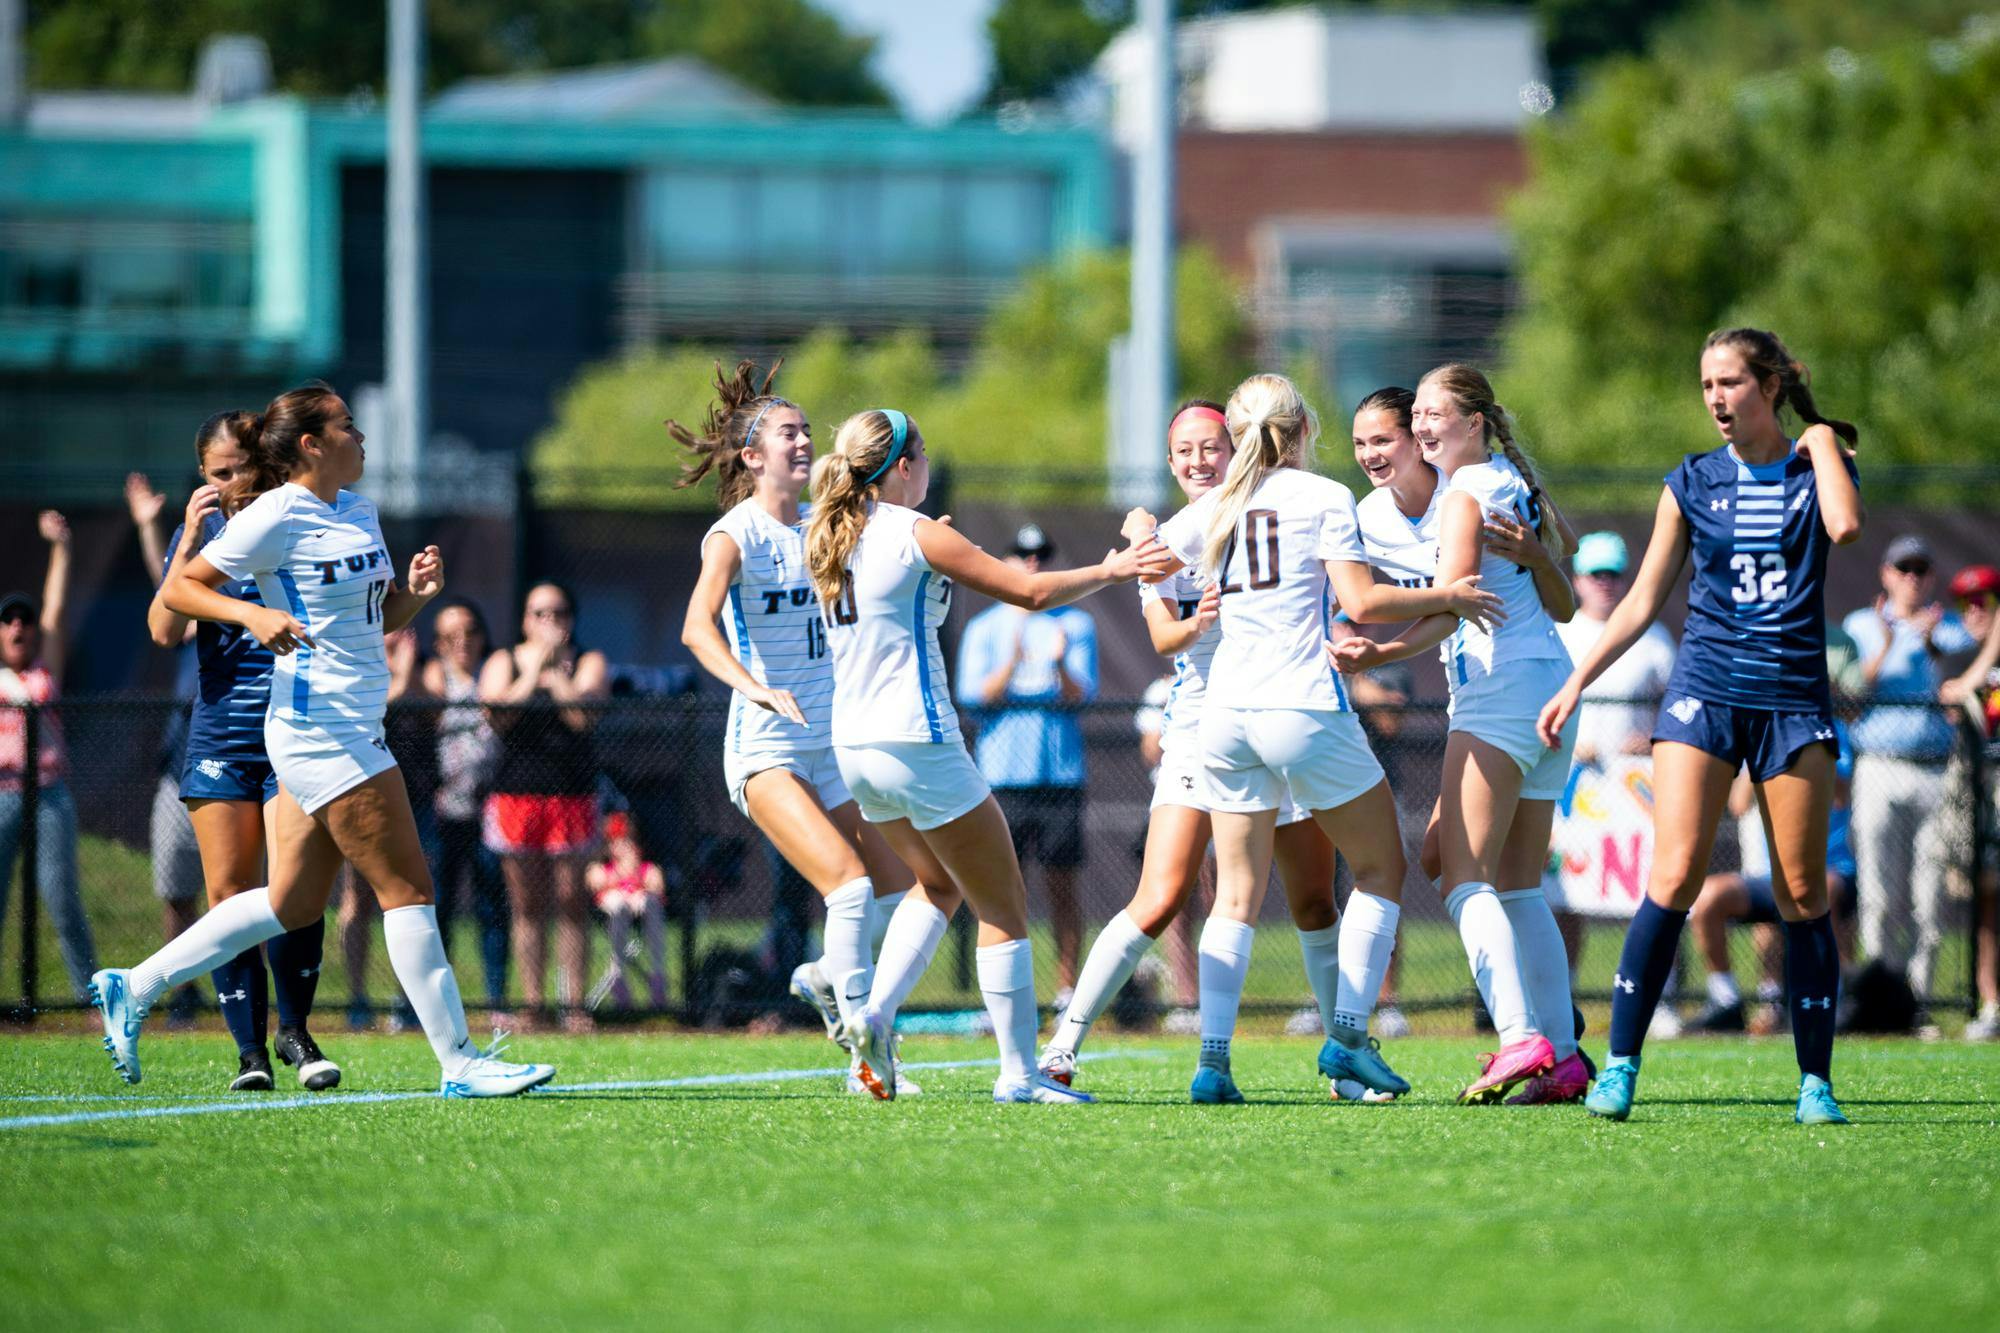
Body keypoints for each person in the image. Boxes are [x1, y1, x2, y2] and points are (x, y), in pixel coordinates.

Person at [91, 380, 552, 1097]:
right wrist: (249, 617)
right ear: (311, 444)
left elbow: (377, 619)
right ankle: (460, 1060)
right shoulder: (276, 513)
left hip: (349, 721)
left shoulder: (358, 511)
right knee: (408, 887)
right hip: (320, 727)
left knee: (290, 903)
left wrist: (417, 594)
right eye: (347, 425)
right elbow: (181, 592)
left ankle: (134, 983)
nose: (361, 437)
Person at [1137, 373, 1503, 1104]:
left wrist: (1138, 534)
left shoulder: (1216, 503)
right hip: (1299, 707)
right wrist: (1449, 595)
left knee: (1234, 895)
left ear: (1238, 437)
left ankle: (1213, 1062)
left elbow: (1149, 561)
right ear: (1302, 427)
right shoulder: (1323, 496)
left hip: (1225, 717)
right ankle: (1346, 1037)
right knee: (1381, 868)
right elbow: (1361, 601)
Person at [1539, 327, 1863, 1124]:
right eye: (1707, 384)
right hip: (1703, 693)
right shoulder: (1690, 480)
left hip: (1791, 699)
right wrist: (1577, 677)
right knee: (1674, 875)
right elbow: (1645, 598)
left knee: (1799, 889)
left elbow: (1847, 526)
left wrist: (1821, 443)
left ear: (1772, 386)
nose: (1717, 398)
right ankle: (1619, 1067)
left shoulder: (1815, 463)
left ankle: (1814, 1081)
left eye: (1731, 383)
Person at [804, 406, 1162, 1104]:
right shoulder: (914, 532)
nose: (929, 464)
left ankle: (873, 1016)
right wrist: (1115, 568)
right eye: (924, 452)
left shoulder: (831, 534)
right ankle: (1018, 1076)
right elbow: (1028, 592)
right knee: (1003, 903)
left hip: (855, 748)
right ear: (903, 465)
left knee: (935, 885)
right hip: (918, 738)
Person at [1035, 398, 1376, 1100]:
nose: (1199, 460)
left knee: (1314, 899)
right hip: (1204, 725)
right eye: (1184, 450)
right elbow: (1161, 631)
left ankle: (1344, 1059)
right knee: (1161, 895)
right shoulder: (1175, 536)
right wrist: (1145, 541)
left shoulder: (1274, 506)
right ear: (1168, 462)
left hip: (1280, 711)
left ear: (1240, 446)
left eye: (1212, 445)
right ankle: (1064, 1043)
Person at [674, 361, 934, 1096]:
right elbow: (697, 628)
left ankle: (828, 973)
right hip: (766, 748)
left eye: (806, 433)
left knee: (903, 892)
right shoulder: (736, 534)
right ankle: (866, 1064)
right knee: (848, 890)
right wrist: (755, 688)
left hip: (836, 741)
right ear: (752, 456)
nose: (802, 442)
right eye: (787, 433)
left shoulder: (829, 526)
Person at [1337, 369, 1587, 1104]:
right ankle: (1565, 1056)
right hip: (1544, 683)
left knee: (1464, 869)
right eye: (1412, 417)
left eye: (1430, 416)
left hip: (1503, 687)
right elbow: (1555, 573)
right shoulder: (1501, 478)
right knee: (1508, 879)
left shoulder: (1468, 491)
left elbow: (1457, 601)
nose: (1418, 429)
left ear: (1475, 422)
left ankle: (1520, 1038)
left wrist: (1378, 652)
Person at [142, 418, 341, 1091]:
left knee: (293, 890)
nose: (232, 484)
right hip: (219, 736)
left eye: (241, 469)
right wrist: (189, 542)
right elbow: (165, 628)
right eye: (218, 473)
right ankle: (249, 1052)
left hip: (293, 731)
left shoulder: (290, 521)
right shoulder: (195, 540)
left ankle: (297, 1031)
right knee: (228, 894)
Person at [955, 524, 1097, 995]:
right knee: (996, 891)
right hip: (1001, 778)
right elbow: (975, 698)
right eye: (1021, 553)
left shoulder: (1075, 625)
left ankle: (1066, 992)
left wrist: (1057, 664)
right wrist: (1013, 659)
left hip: (1058, 776)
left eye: (1041, 554)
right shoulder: (984, 628)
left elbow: (1081, 696)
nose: (1032, 563)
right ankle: (998, 994)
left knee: (1063, 890)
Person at [1841, 534, 1976, 1006]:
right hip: (1879, 767)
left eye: (1920, 569)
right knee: (1879, 892)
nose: (1912, 578)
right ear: (1885, 574)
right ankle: (1880, 999)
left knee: (1929, 895)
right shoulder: (1861, 625)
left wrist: (1933, 644)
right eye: (1903, 569)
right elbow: (1851, 694)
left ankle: (1917, 1001)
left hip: (1936, 772)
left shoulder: (1950, 628)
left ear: (1932, 577)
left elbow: (1973, 669)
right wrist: (1887, 639)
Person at [1551, 531, 1679, 998]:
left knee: (1651, 893)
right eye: (1595, 573)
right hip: (1573, 788)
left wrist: (1652, 738)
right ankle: (1560, 996)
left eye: (1613, 574)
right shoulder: (1560, 634)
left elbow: (1681, 702)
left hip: (1637, 791)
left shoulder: (1654, 637)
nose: (1605, 583)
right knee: (1564, 896)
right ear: (1577, 579)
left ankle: (1656, 996)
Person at [480, 580, 608, 1029]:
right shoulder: (504, 660)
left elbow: (581, 718)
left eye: (557, 613)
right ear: (524, 620)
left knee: (572, 901)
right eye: (539, 613)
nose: (548, 622)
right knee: (527, 904)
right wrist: (533, 674)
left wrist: (557, 676)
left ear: (570, 620)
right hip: (516, 797)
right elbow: (496, 714)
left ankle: (574, 1005)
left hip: (572, 796)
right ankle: (533, 1004)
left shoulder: (589, 662)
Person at [0, 510, 97, 1000]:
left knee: (62, 898)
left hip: (49, 794)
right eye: (8, 620)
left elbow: (55, 609)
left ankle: (88, 999)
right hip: (1, 794)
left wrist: (61, 546)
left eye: (25, 620)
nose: (18, 626)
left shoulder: (44, 668)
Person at [128, 472, 209, 1025]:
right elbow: (169, 601)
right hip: (181, 764)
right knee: (177, 889)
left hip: (245, 757)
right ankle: (178, 989)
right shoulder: (192, 582)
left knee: (242, 895)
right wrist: (150, 526)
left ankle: (242, 992)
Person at [422, 597, 509, 1009]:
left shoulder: (496, 674)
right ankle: (429, 1003)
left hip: (489, 810)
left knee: (493, 908)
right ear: (437, 643)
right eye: (450, 636)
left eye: (470, 632)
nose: (463, 642)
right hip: (442, 811)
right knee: (436, 910)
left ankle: (496, 1001)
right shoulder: (434, 677)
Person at [1937, 565, 2000, 1038]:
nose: (1976, 610)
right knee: (1986, 898)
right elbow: (1949, 692)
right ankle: (1990, 1003)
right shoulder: (1956, 650)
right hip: (1978, 788)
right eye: (1967, 602)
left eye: (1986, 600)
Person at [585, 811, 668, 1011]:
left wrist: (635, 872)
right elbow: (595, 884)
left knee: (650, 902)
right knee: (619, 902)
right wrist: (623, 871)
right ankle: (618, 976)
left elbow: (658, 886)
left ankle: (658, 976)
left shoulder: (647, 867)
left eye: (628, 840)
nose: (624, 845)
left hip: (641, 910)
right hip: (614, 912)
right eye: (618, 841)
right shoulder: (600, 867)